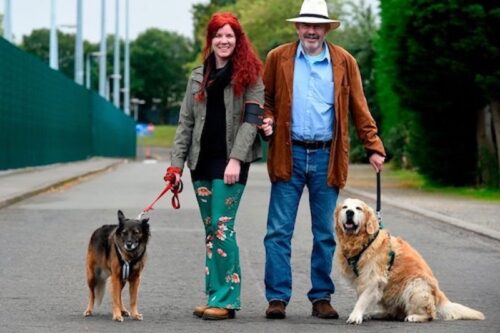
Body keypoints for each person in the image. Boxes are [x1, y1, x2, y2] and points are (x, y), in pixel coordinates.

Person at [260, 0, 386, 320]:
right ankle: (277, 297)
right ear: (297, 27)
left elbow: (359, 107)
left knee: (326, 233)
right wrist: (268, 118)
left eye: (318, 25)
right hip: (289, 153)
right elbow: (265, 99)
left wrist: (373, 145)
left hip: (328, 156)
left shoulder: (344, 62)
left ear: (327, 28)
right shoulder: (278, 58)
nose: (311, 30)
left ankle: (321, 297)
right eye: (306, 24)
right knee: (278, 231)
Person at [164, 12, 269, 320]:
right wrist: (175, 167)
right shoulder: (198, 75)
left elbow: (252, 122)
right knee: (211, 230)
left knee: (223, 227)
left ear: (238, 41)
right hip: (201, 163)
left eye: (229, 36)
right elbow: (185, 123)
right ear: (210, 41)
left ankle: (226, 299)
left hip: (231, 164)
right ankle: (216, 294)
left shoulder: (251, 76)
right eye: (218, 36)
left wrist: (235, 159)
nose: (224, 41)